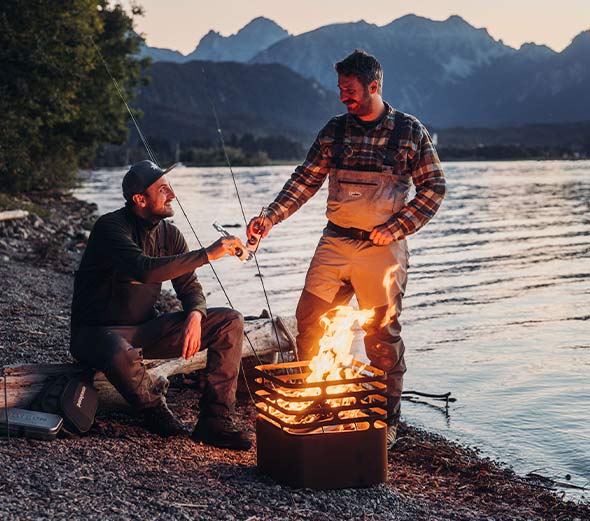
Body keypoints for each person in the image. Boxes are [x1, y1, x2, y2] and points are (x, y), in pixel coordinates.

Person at [247, 50, 446, 448]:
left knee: (382, 336)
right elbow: (305, 180)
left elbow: (434, 188)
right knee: (310, 319)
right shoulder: (334, 131)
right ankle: (317, 400)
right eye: (340, 89)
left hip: (382, 251)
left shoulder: (409, 132)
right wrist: (269, 217)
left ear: (374, 87)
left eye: (350, 90)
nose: (343, 97)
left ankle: (387, 420)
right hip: (336, 242)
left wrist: (395, 228)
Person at [70, 160, 251, 450]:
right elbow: (143, 269)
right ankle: (154, 410)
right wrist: (208, 253)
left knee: (231, 321)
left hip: (143, 331)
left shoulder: (170, 235)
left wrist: (195, 314)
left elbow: (190, 287)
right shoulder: (110, 227)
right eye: (163, 189)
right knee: (117, 349)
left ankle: (215, 420)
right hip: (95, 334)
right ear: (139, 199)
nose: (173, 195)